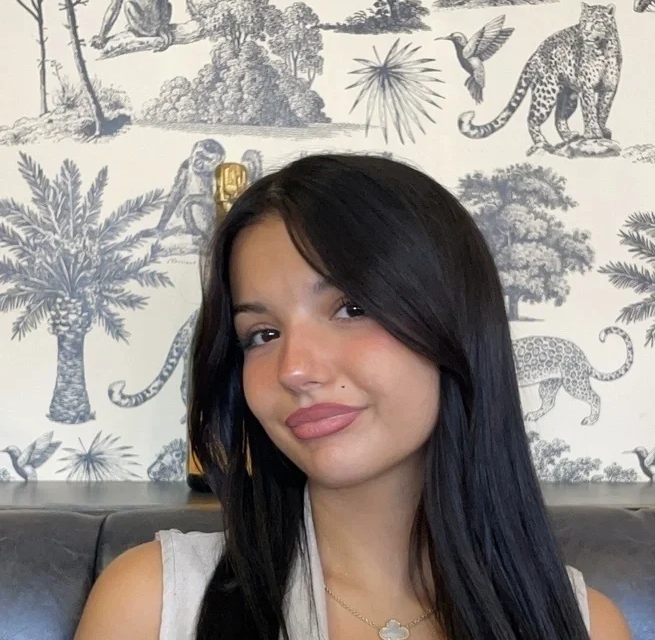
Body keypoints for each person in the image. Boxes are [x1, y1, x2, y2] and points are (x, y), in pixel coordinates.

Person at [74, 154, 632, 640]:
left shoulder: (585, 625)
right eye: (262, 334)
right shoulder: (154, 605)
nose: (295, 369)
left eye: (351, 309)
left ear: (455, 325)